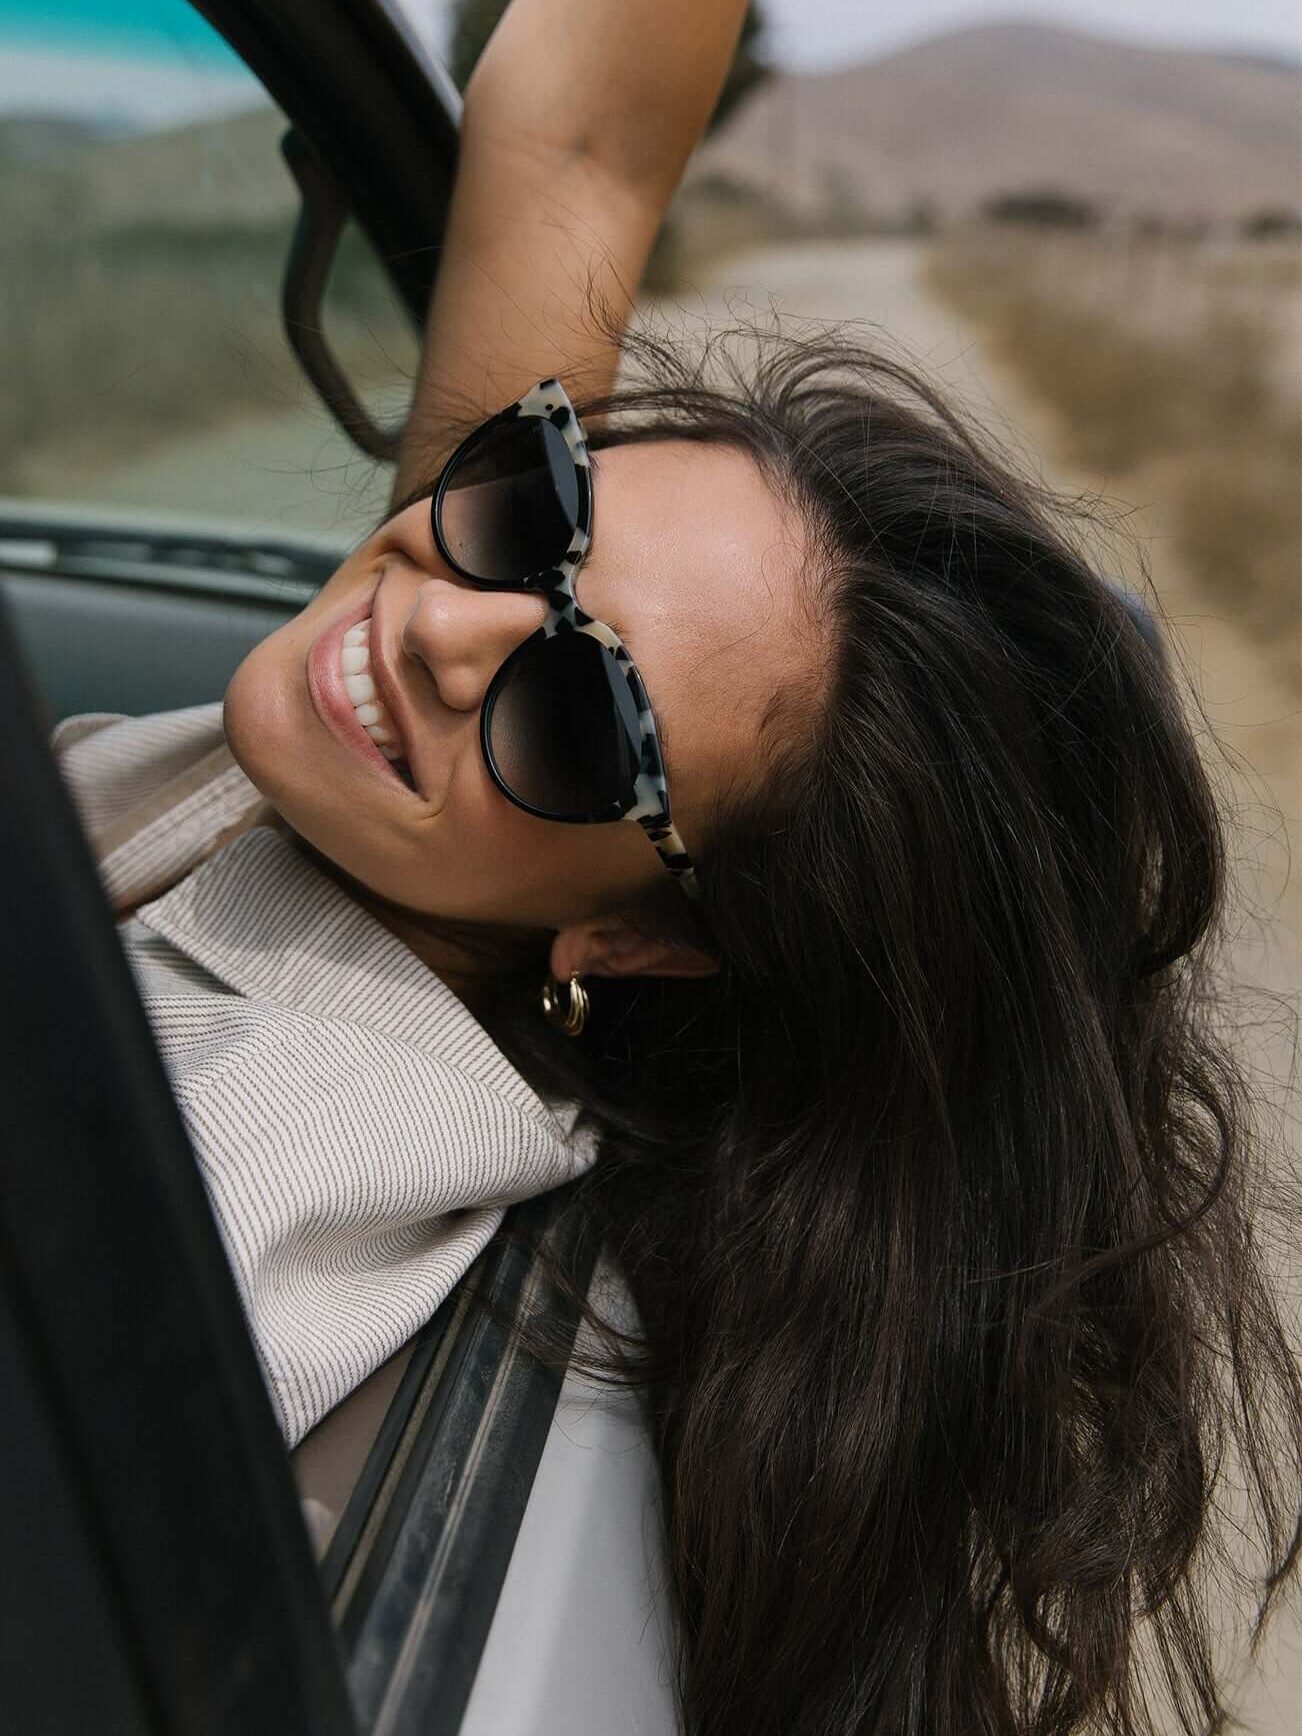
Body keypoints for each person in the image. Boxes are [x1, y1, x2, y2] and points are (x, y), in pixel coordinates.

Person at [53, 3, 1301, 1733]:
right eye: (528, 502)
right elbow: (578, 141)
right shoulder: (433, 788)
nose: (441, 622)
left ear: (643, 941)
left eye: (579, 719)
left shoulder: (273, 1136)